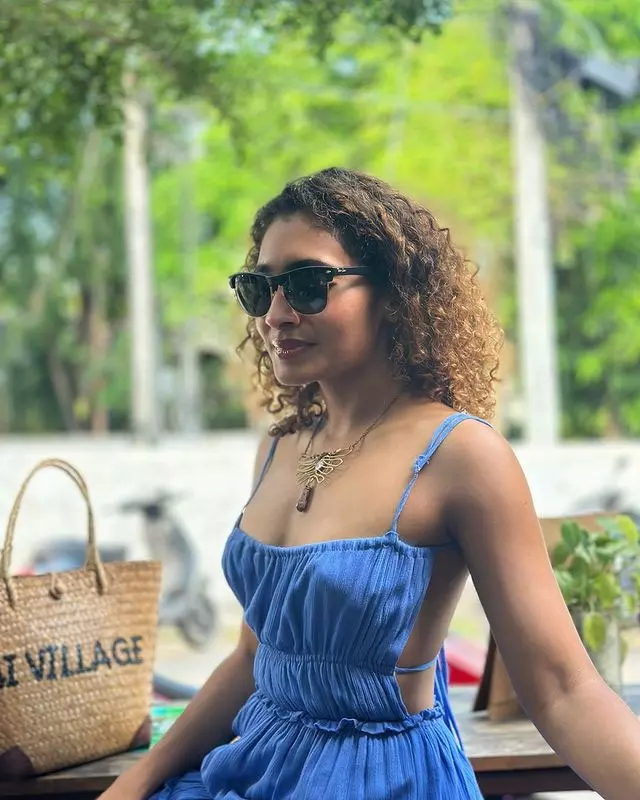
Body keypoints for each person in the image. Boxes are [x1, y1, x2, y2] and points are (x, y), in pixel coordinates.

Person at [102, 167, 640, 800]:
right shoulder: (277, 448)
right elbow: (252, 659)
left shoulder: (460, 455)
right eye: (260, 287)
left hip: (380, 781)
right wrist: (136, 782)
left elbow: (562, 689)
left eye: (307, 284)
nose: (276, 314)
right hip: (252, 770)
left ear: (392, 294)